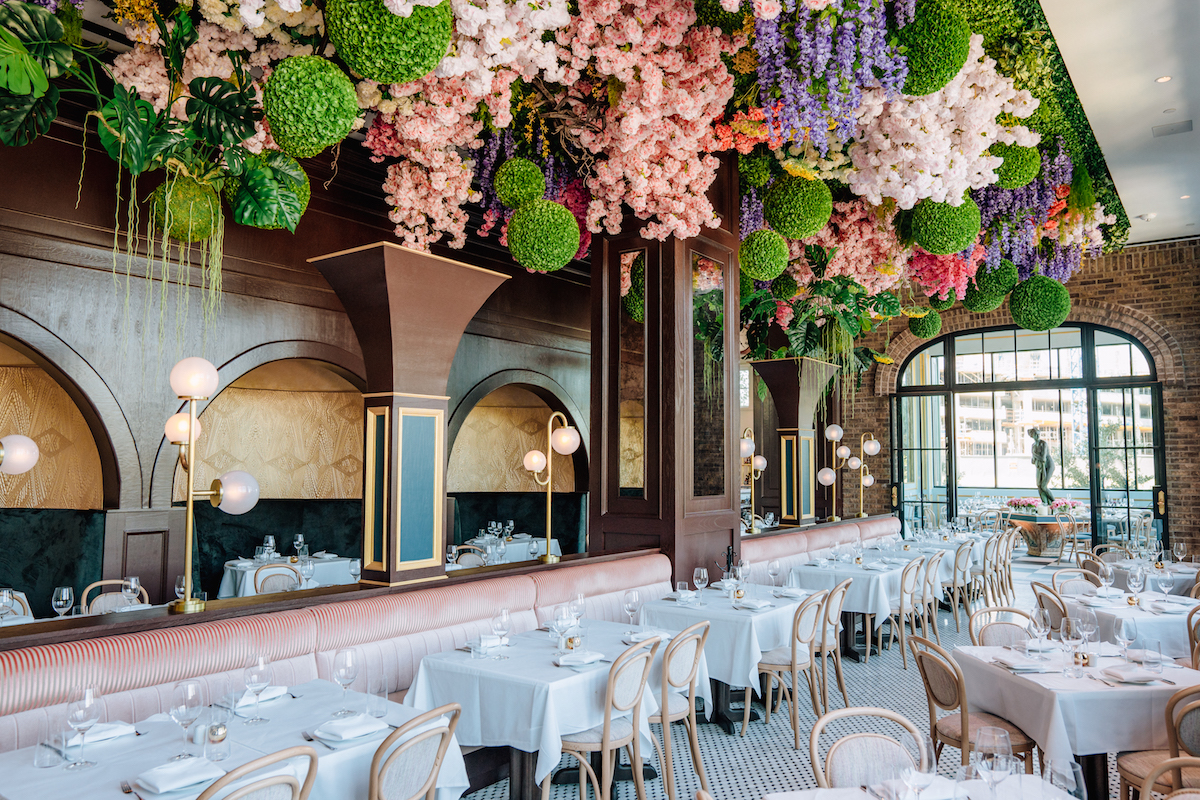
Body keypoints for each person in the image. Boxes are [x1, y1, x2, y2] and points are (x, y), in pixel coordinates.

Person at [1028, 428, 1055, 505]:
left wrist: (1034, 454)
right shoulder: (1033, 445)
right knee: (1039, 486)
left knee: (1044, 486)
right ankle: (1045, 504)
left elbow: (1043, 458)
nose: (1038, 435)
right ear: (1032, 435)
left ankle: (1055, 503)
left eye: (1038, 434)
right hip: (1039, 466)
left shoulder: (1043, 444)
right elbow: (1032, 461)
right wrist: (1034, 457)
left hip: (1048, 465)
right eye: (1035, 434)